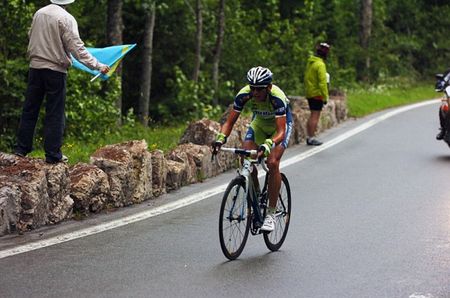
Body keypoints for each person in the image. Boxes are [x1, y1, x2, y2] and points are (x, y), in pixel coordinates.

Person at [14, 0, 110, 164]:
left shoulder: (39, 13)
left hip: (35, 68)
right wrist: (98, 66)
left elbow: (31, 35)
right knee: (54, 112)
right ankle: (53, 154)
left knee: (30, 109)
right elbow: (77, 48)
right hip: (55, 71)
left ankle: (20, 149)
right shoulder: (66, 18)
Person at [212, 66, 293, 232]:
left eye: (259, 89)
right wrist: (220, 139)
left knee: (272, 162)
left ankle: (270, 213)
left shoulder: (276, 97)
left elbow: (281, 132)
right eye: (253, 88)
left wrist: (269, 144)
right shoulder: (244, 93)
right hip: (260, 125)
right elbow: (229, 123)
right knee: (245, 158)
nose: (255, 93)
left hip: (279, 128)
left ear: (268, 87)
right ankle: (255, 195)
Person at [304, 42, 331, 146]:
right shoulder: (320, 65)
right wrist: (325, 96)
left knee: (311, 115)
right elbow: (322, 83)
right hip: (317, 94)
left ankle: (308, 136)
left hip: (310, 92)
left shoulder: (311, 62)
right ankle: (311, 137)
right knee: (315, 116)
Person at [435, 69, 450, 141]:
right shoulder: (449, 73)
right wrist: (439, 85)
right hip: (449, 95)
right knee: (443, 107)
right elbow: (442, 81)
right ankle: (443, 130)